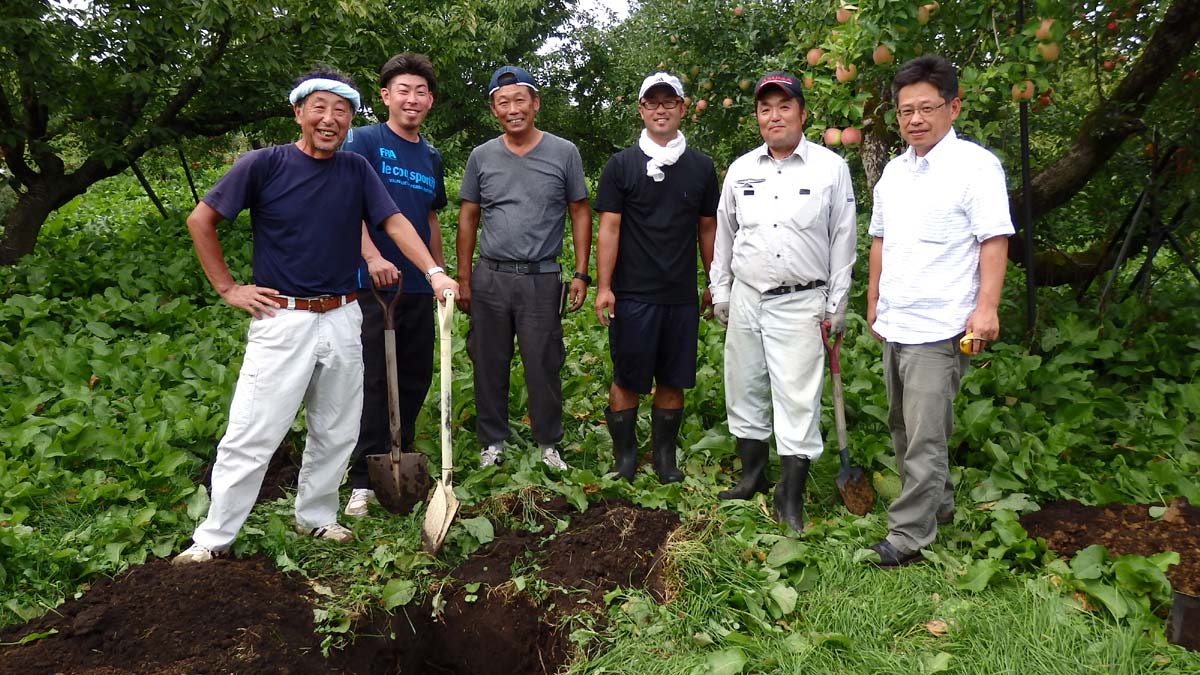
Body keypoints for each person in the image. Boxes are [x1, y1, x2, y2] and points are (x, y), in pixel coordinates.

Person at [173, 65, 458, 565]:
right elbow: (202, 219)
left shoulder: (355, 170)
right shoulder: (264, 165)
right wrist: (227, 287)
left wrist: (434, 272)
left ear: (350, 119)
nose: (330, 119)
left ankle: (318, 516)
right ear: (299, 112)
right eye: (320, 108)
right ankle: (214, 538)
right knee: (254, 430)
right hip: (282, 318)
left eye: (341, 111)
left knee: (337, 427)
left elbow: (393, 222)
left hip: (344, 313)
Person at [865, 54, 1013, 566]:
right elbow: (880, 239)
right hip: (898, 319)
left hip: (941, 324)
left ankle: (908, 536)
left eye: (926, 108)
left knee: (926, 434)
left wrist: (986, 309)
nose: (915, 120)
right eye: (906, 111)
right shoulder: (894, 171)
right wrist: (874, 300)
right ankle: (939, 505)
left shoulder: (975, 167)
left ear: (953, 107)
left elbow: (994, 239)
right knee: (903, 427)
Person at [710, 72, 856, 533]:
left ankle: (789, 495)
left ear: (802, 113)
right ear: (757, 117)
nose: (774, 116)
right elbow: (725, 236)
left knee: (797, 398)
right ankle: (751, 476)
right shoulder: (740, 169)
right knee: (744, 387)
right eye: (765, 108)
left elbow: (843, 242)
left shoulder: (830, 168)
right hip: (748, 298)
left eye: (784, 106)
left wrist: (837, 306)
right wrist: (721, 291)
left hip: (802, 301)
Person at [456, 65, 592, 470]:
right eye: (503, 103)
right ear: (494, 110)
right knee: (487, 360)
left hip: (541, 277)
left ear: (534, 103)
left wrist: (581, 273)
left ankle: (548, 443)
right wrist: (464, 278)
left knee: (543, 362)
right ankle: (491, 442)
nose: (512, 109)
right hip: (491, 276)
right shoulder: (482, 156)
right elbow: (467, 217)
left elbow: (580, 212)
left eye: (520, 100)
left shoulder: (563, 152)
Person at [593, 72, 718, 483]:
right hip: (632, 294)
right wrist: (604, 287)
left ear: (683, 108)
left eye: (670, 102)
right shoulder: (621, 165)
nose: (661, 110)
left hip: (680, 294)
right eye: (652, 103)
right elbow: (609, 228)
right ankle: (625, 458)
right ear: (641, 109)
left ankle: (665, 459)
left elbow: (707, 229)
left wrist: (713, 281)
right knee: (627, 377)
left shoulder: (700, 167)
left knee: (673, 377)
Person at [339, 53, 447, 517]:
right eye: (403, 90)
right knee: (375, 380)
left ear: (430, 101)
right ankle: (362, 479)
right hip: (371, 286)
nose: (412, 99)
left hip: (418, 288)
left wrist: (439, 274)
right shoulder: (363, 141)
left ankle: (398, 460)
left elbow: (428, 219)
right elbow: (347, 205)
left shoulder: (430, 156)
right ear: (385, 96)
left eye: (421, 92)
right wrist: (372, 254)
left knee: (416, 375)